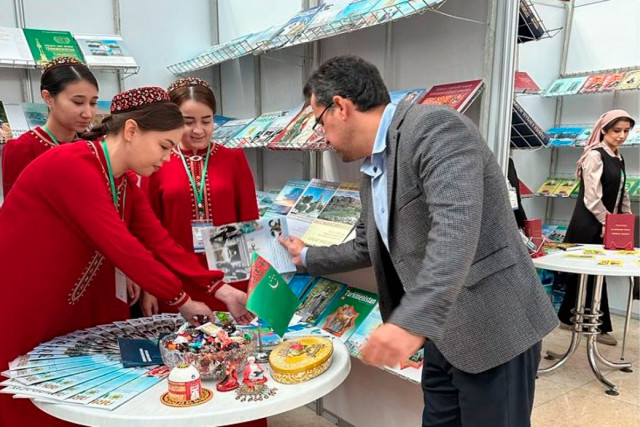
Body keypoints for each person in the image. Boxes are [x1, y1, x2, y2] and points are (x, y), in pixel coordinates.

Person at [280, 55, 558, 427]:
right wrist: (307, 257)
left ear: (341, 107)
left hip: (493, 327)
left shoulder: (435, 128)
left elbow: (455, 229)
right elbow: (365, 245)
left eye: (320, 122)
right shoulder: (373, 168)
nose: (323, 138)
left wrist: (410, 323)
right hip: (442, 335)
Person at [0, 86, 253, 427]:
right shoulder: (74, 165)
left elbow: (159, 241)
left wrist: (219, 289)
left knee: (71, 395)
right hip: (25, 301)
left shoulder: (121, 181)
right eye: (164, 146)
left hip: (67, 300)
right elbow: (122, 246)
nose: (168, 159)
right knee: (32, 398)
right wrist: (180, 299)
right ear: (132, 130)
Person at [139, 77, 259, 316]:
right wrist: (149, 286)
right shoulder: (157, 161)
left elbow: (250, 222)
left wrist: (256, 281)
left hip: (230, 274)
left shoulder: (233, 159)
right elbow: (147, 230)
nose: (198, 130)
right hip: (175, 276)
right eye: (188, 121)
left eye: (207, 120)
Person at [557, 110, 635, 346]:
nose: (622, 135)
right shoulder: (595, 155)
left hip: (606, 222)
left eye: (626, 131)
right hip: (589, 222)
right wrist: (607, 222)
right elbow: (591, 197)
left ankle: (567, 318)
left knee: (592, 274)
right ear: (603, 130)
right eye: (617, 130)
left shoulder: (617, 155)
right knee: (592, 273)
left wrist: (625, 218)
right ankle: (598, 327)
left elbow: (621, 191)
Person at [2, 57, 99, 198]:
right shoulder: (23, 149)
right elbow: (16, 207)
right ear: (48, 98)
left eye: (93, 103)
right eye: (78, 102)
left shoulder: (94, 145)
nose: (88, 113)